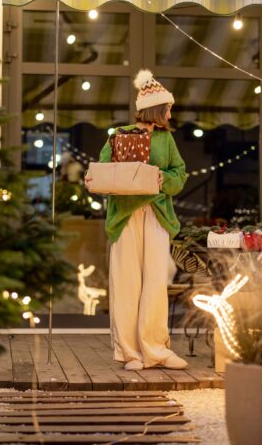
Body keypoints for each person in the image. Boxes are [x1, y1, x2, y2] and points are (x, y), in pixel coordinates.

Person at [85, 69, 188, 371]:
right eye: (168, 107)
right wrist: (93, 179)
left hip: (156, 215)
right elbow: (103, 170)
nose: (171, 112)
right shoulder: (118, 135)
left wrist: (161, 177)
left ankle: (156, 350)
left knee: (155, 283)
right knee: (127, 283)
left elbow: (179, 175)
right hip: (125, 216)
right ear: (157, 108)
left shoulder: (167, 141)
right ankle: (131, 353)